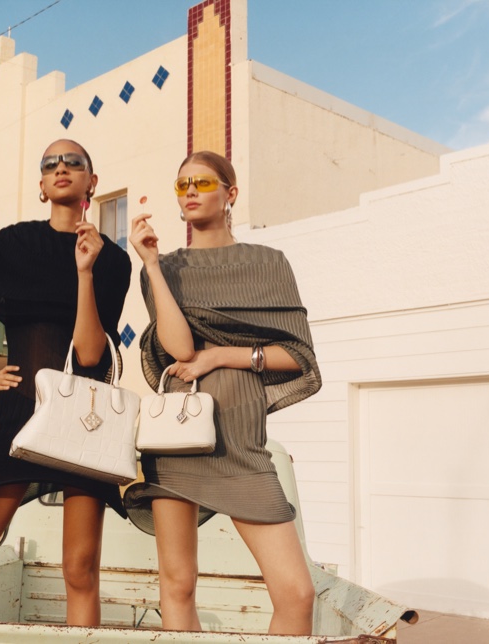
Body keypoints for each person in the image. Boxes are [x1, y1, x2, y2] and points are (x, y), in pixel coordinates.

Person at [0, 139, 131, 625]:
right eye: (50, 164)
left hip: (83, 424)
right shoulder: (13, 244)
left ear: (91, 182)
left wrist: (85, 272)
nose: (61, 168)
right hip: (18, 419)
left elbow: (88, 354)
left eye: (74, 162)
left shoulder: (113, 260)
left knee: (80, 573)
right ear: (42, 186)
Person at [124, 151, 322, 635]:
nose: (189, 191)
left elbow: (297, 356)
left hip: (240, 440)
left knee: (297, 593)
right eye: (181, 184)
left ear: (230, 193)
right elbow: (179, 346)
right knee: (178, 585)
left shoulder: (268, 263)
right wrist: (150, 264)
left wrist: (221, 357)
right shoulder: (166, 266)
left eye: (203, 182)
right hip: (176, 441)